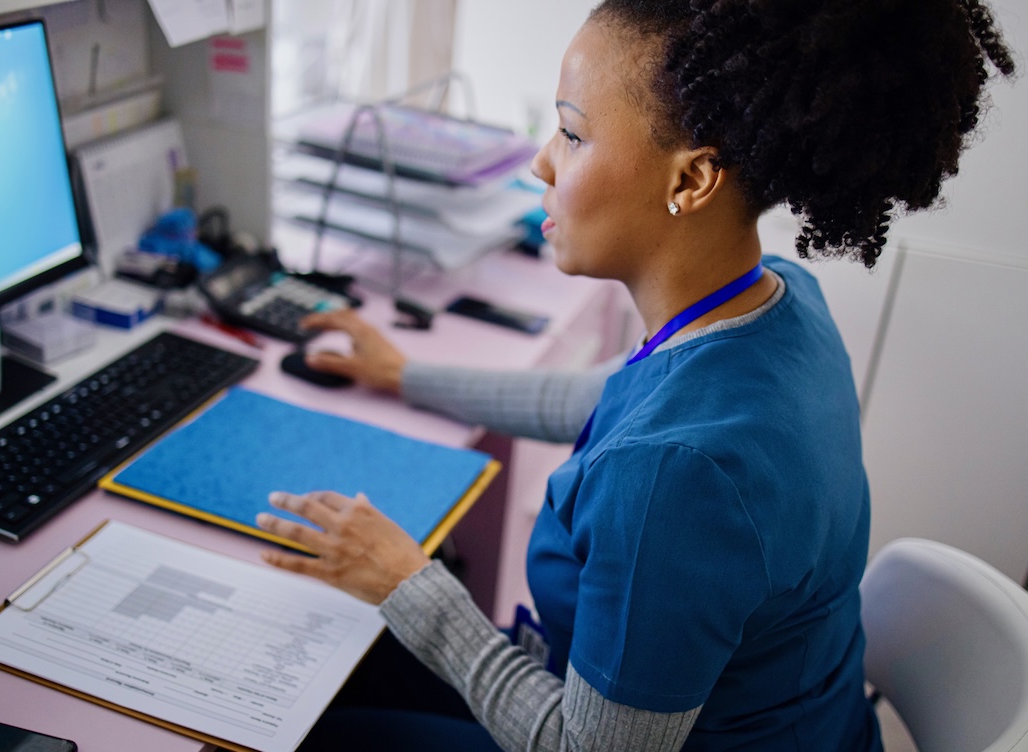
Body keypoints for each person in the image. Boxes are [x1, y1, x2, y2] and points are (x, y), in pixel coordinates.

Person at [253, 1, 1016, 749]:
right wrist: (404, 373)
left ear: (690, 182)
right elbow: (603, 399)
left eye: (573, 133)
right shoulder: (776, 304)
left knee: (320, 721)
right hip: (811, 725)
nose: (540, 160)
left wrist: (406, 582)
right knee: (328, 658)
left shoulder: (673, 477)